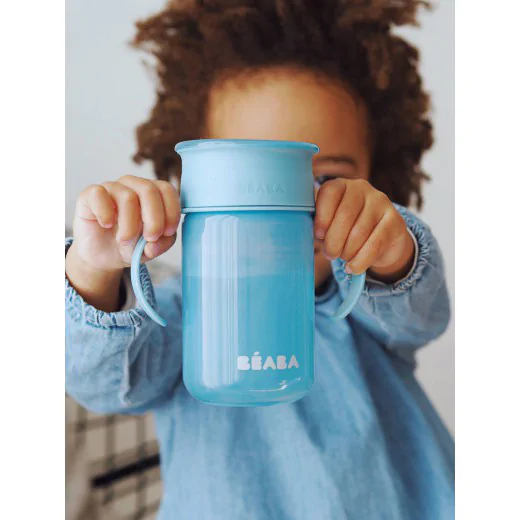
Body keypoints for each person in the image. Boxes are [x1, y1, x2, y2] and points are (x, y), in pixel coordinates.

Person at [65, 1, 454, 518]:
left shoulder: (368, 306)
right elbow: (104, 383)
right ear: (197, 186)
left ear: (376, 178)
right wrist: (95, 269)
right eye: (246, 174)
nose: (296, 206)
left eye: (328, 179)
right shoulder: (178, 315)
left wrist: (389, 247)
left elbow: (423, 316)